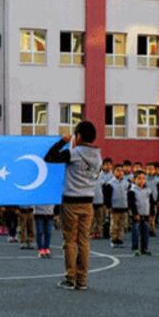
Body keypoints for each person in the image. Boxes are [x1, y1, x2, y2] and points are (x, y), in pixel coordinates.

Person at [44, 120, 102, 291]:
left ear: (78, 136)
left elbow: (49, 157)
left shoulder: (74, 153)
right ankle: (82, 280)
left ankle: (70, 277)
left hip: (71, 201)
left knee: (70, 241)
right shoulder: (98, 157)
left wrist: (62, 141)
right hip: (88, 202)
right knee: (84, 241)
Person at [128, 170, 154, 256]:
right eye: (139, 179)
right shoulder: (132, 190)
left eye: (143, 179)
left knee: (145, 232)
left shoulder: (148, 190)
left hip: (145, 214)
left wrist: (151, 214)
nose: (141, 181)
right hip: (136, 215)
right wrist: (135, 214)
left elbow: (151, 202)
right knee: (135, 231)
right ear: (134, 180)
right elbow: (131, 203)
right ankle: (135, 248)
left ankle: (144, 248)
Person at [103, 166, 130, 248]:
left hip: (124, 206)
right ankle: (114, 239)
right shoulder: (110, 184)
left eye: (121, 171)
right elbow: (107, 197)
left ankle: (120, 239)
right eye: (118, 171)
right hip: (114, 207)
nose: (120, 172)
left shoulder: (127, 183)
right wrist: (108, 206)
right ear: (114, 172)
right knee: (114, 225)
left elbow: (129, 195)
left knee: (122, 224)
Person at [91, 158, 113, 239]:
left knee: (100, 218)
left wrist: (106, 202)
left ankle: (98, 232)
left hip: (100, 201)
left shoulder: (101, 178)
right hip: (91, 201)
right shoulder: (89, 178)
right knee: (91, 219)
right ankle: (92, 232)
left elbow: (106, 190)